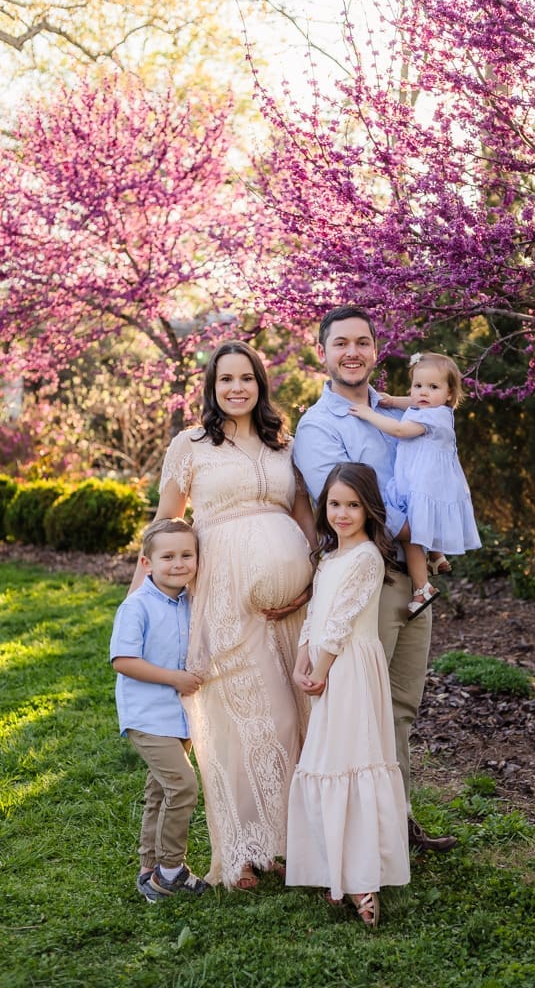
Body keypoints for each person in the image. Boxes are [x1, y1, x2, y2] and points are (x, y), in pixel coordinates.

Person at [129, 340, 317, 889]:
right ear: (210, 388)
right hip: (223, 598)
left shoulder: (284, 445)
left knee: (293, 723)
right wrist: (139, 600)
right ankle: (239, 854)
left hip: (293, 607)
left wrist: (314, 578)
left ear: (261, 384)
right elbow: (166, 522)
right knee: (243, 724)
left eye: (247, 378)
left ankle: (283, 846)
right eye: (225, 379)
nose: (237, 388)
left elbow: (303, 513)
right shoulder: (189, 445)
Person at [293, 305, 457, 854]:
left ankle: (396, 821)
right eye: (341, 343)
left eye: (363, 342)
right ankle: (361, 836)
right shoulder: (319, 427)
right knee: (365, 707)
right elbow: (344, 510)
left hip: (411, 573)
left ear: (375, 349)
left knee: (402, 707)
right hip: (368, 580)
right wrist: (429, 528)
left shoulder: (407, 408)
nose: (353, 352)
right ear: (324, 352)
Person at [286, 463, 410, 928]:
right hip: (325, 663)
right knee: (325, 760)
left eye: (353, 505)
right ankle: (333, 868)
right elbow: (317, 612)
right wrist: (302, 654)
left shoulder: (366, 558)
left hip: (349, 667)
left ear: (368, 509)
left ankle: (363, 880)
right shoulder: (330, 557)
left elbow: (340, 625)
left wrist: (318, 671)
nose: (342, 513)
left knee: (351, 759)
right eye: (335, 504)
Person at [110, 517, 208, 902]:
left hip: (178, 716)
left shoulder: (189, 601)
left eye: (187, 554)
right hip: (148, 716)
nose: (179, 563)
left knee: (160, 792)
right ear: (147, 563)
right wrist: (174, 678)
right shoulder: (137, 607)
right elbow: (123, 660)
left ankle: (148, 871)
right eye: (168, 556)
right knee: (183, 786)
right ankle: (171, 872)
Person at [348, 351, 482, 620]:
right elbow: (412, 401)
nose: (422, 392)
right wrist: (390, 400)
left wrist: (368, 414)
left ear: (449, 393)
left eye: (433, 387)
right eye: (418, 385)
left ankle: (423, 588)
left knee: (411, 534)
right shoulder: (435, 407)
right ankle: (437, 556)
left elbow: (399, 431)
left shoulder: (430, 417)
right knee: (420, 523)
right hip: (430, 482)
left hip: (420, 483)